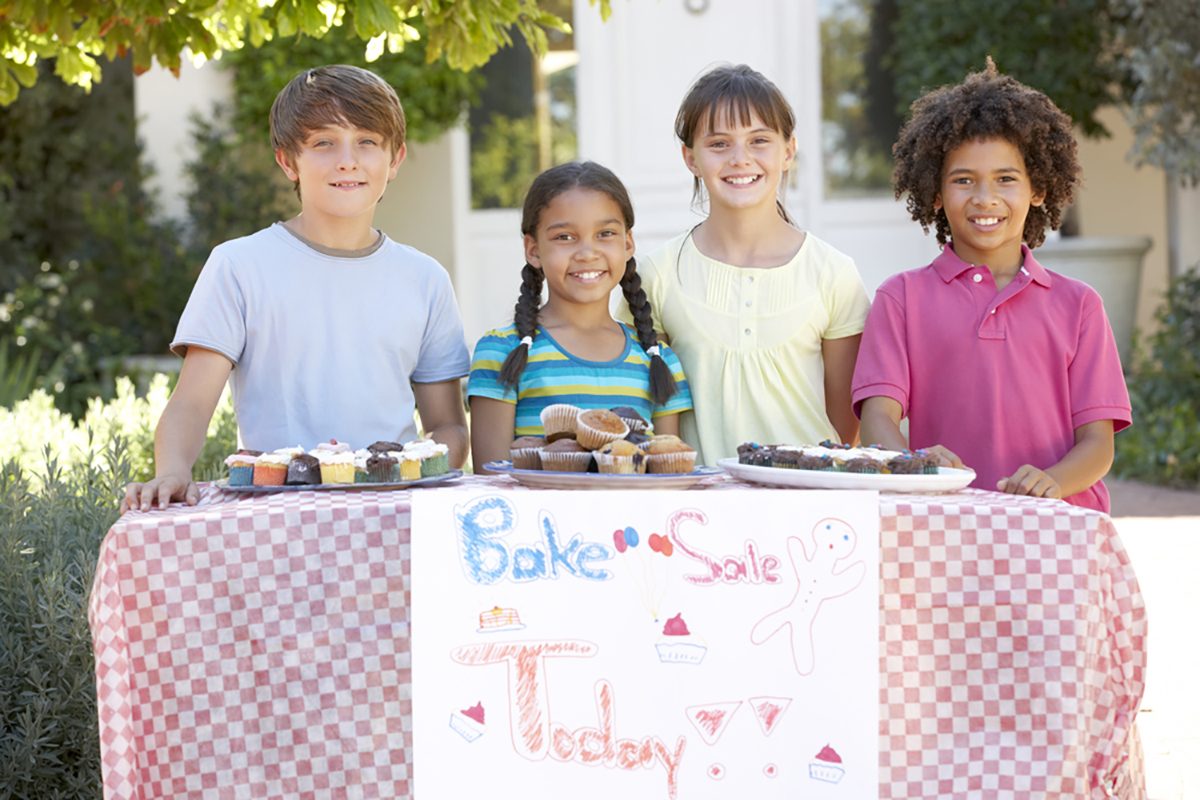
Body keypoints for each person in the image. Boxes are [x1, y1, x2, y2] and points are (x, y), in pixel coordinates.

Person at [121, 65, 470, 512]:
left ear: (395, 159)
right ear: (288, 161)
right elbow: (191, 402)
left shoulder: (426, 279)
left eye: (367, 142)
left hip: (394, 511)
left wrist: (423, 472)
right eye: (323, 143)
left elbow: (447, 427)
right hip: (278, 513)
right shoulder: (239, 266)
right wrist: (172, 471)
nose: (348, 159)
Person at [852, 59, 1131, 512]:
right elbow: (876, 418)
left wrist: (1052, 482)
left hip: (1059, 527)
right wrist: (914, 461)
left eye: (1006, 179)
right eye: (964, 181)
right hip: (943, 524)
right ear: (936, 194)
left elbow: (1098, 444)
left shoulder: (1079, 305)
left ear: (1037, 188)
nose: (985, 198)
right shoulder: (900, 299)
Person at [619, 64, 870, 465]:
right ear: (690, 158)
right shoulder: (657, 274)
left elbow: (844, 424)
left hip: (807, 502)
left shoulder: (833, 273)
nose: (740, 159)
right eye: (719, 144)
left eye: (759, 141)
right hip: (699, 504)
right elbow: (649, 415)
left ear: (788, 151)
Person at [467, 161, 693, 470]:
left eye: (605, 233)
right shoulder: (502, 352)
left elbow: (667, 472)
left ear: (627, 244)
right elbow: (490, 480)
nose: (587, 252)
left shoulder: (658, 360)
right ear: (533, 250)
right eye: (564, 237)